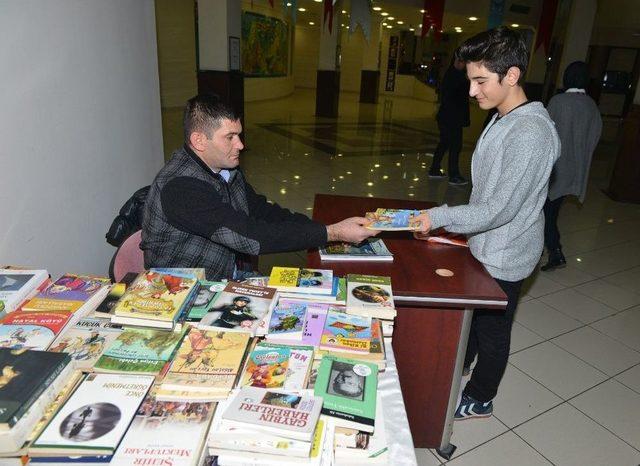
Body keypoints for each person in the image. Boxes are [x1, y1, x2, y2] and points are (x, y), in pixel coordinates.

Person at [413, 27, 560, 420]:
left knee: (494, 330)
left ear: (511, 76)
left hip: (506, 252)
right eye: (470, 80)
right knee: (477, 318)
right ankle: (462, 362)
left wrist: (439, 217)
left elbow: (498, 208)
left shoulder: (529, 132)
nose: (473, 91)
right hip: (488, 242)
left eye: (481, 81)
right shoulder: (502, 116)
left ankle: (481, 396)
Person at [141, 94, 377, 281]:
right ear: (199, 141)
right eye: (230, 137)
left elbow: (260, 210)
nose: (241, 145)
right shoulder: (181, 188)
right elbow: (251, 237)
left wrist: (322, 229)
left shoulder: (226, 168)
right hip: (186, 288)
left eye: (240, 135)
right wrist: (332, 233)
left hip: (224, 273)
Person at [541, 61, 603, 271]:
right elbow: (594, 138)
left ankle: (555, 252)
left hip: (554, 170)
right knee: (550, 212)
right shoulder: (591, 105)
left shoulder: (558, 101)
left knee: (544, 214)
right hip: (574, 171)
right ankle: (545, 249)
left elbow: (544, 133)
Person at [428, 51, 471, 186]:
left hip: (447, 117)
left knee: (445, 143)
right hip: (451, 118)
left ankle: (434, 169)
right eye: (464, 62)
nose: (465, 65)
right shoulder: (456, 76)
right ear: (458, 61)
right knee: (455, 146)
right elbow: (456, 99)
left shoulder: (453, 74)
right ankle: (454, 175)